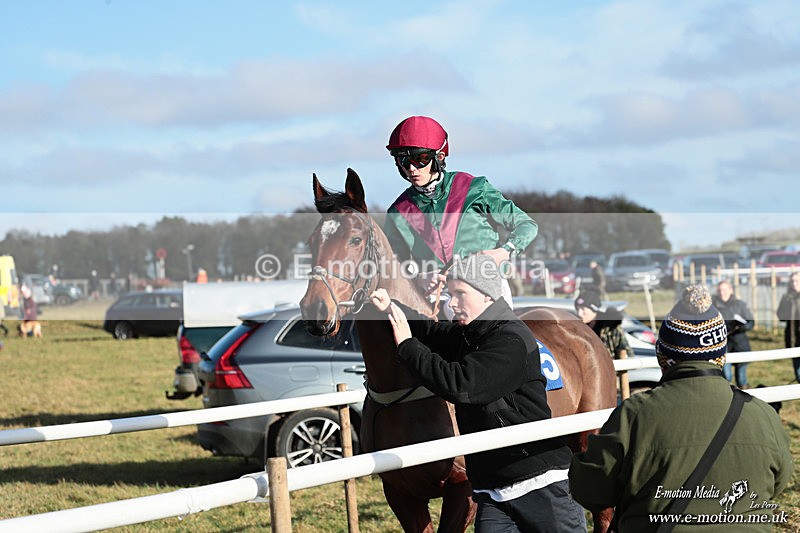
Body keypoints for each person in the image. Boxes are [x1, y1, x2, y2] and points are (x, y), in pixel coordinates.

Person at [370, 254, 586, 532]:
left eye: (460, 293)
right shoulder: (471, 333)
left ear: (487, 295)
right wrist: (391, 306)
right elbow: (431, 330)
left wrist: (407, 346)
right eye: (450, 294)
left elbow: (462, 385)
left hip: (541, 485)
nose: (452, 303)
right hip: (492, 493)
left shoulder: (511, 339)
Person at [569, 285, 793, 531]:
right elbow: (779, 482)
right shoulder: (764, 415)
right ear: (721, 356)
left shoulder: (633, 415)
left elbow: (590, 490)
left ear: (663, 356)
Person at [383, 116, 538, 306]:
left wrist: (505, 251)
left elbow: (527, 225)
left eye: (420, 158)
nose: (412, 169)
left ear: (439, 157)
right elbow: (395, 264)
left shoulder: (475, 188)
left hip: (488, 291)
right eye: (404, 160)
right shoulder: (397, 212)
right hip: (438, 298)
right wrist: (418, 278)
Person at [713, 279, 754, 389]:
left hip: (740, 342)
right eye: (720, 290)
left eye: (724, 290)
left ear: (731, 290)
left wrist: (742, 326)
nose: (722, 293)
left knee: (742, 378)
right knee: (727, 376)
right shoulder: (713, 306)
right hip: (723, 344)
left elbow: (751, 322)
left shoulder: (740, 305)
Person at [574, 288, 629, 360]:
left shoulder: (611, 329)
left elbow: (626, 357)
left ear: (594, 309)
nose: (579, 313)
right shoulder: (577, 330)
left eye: (583, 309)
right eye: (577, 309)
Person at [777, 271, 800, 384]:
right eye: (792, 281)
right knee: (798, 372)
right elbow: (780, 316)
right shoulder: (786, 298)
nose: (794, 283)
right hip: (793, 339)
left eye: (797, 280)